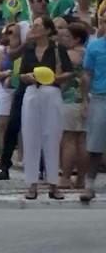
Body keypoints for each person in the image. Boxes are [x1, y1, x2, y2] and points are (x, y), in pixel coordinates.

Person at [19, 15, 73, 200]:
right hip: (32, 91)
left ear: (48, 30)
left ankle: (53, 184)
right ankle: (31, 184)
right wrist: (26, 77)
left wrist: (55, 78)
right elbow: (22, 73)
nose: (33, 29)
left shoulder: (57, 49)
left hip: (51, 91)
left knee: (52, 136)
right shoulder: (29, 49)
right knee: (30, 136)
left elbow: (68, 71)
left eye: (37, 26)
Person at [60, 23, 88, 190]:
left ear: (77, 39)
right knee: (82, 140)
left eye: (68, 37)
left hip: (70, 99)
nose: (65, 39)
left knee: (69, 139)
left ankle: (65, 177)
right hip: (86, 100)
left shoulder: (69, 55)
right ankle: (81, 180)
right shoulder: (88, 54)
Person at [81, 13, 106, 201]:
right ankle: (89, 185)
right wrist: (84, 100)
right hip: (100, 97)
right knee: (95, 144)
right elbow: (87, 74)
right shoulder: (94, 46)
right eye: (103, 21)